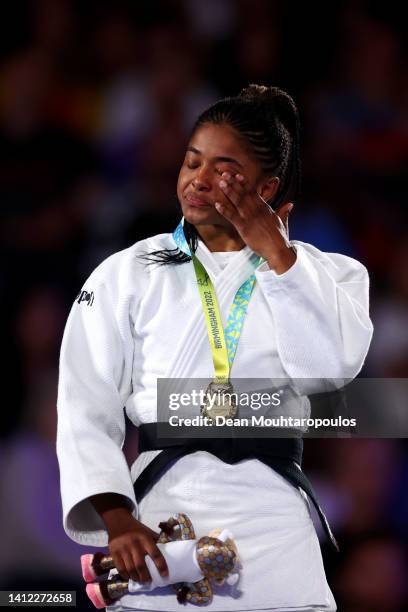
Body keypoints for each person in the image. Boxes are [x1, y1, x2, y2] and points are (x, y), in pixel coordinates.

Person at [57, 84, 373, 611]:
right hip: (161, 524)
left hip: (275, 527)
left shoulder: (332, 274)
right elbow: (84, 404)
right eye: (191, 162)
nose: (198, 181)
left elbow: (328, 375)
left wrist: (279, 257)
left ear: (266, 186)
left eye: (223, 169)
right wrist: (117, 518)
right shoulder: (127, 273)